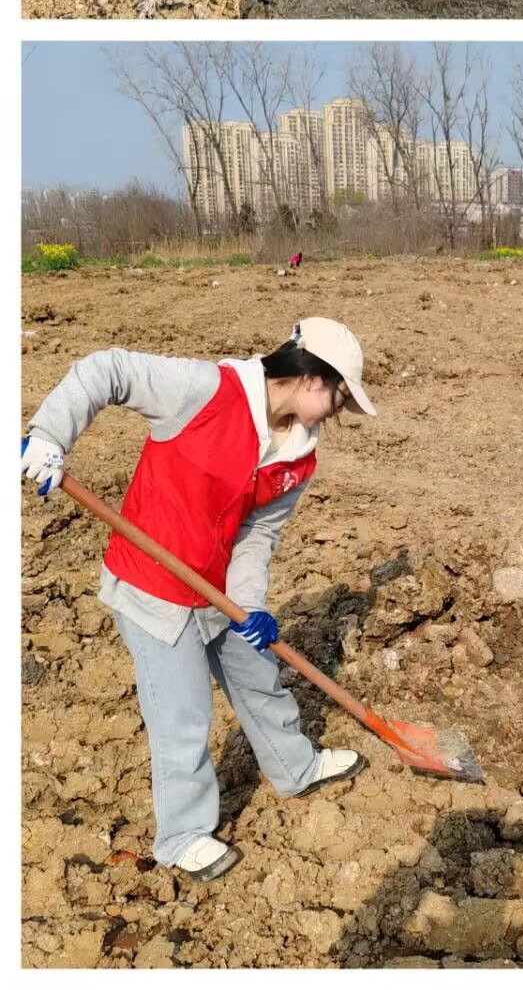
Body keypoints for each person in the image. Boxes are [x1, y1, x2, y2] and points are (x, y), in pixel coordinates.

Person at [19, 320, 377, 879]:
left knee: (259, 674)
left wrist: (251, 603)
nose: (339, 411)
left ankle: (296, 766)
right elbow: (106, 369)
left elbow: (258, 536)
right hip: (152, 586)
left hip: (217, 586)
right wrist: (49, 436)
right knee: (182, 715)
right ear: (311, 378)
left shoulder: (300, 457)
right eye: (340, 396)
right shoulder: (205, 390)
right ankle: (183, 835)